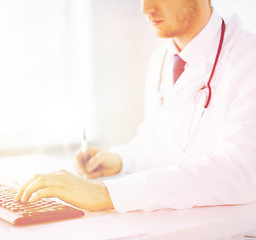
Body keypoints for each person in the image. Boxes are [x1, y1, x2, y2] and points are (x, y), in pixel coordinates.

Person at [16, 0, 256, 218]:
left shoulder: (248, 58)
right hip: (172, 222)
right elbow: (158, 141)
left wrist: (107, 194)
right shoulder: (161, 60)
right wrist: (121, 159)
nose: (146, 9)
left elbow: (240, 171)